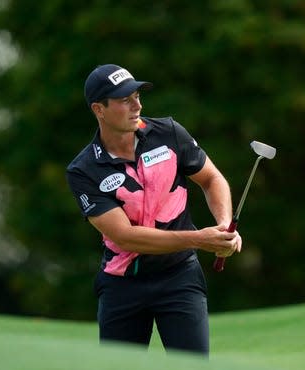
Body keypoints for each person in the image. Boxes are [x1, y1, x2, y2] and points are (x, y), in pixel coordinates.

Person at [66, 64, 241, 355]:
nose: (137, 105)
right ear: (99, 109)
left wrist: (223, 227)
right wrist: (200, 239)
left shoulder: (169, 133)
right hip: (122, 286)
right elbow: (125, 237)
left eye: (136, 96)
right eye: (125, 100)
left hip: (179, 276)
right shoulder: (84, 170)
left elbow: (211, 179)